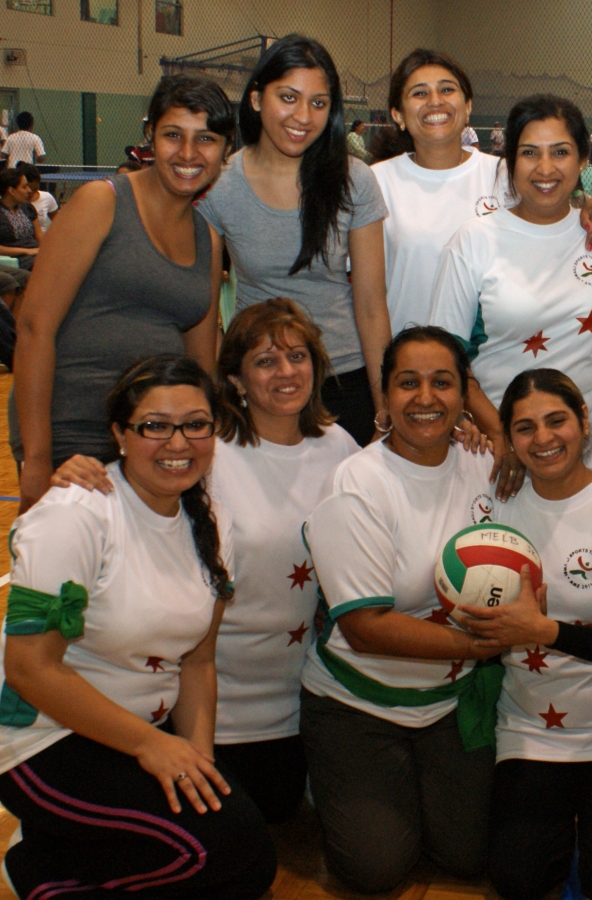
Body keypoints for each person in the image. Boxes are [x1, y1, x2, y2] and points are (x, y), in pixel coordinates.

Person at [49, 298, 360, 827]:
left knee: (278, 813)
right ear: (235, 379)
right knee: (223, 835)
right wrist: (79, 471)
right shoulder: (203, 449)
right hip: (204, 693)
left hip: (293, 695)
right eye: (265, 361)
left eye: (298, 356)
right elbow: (136, 485)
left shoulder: (340, 447)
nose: (286, 372)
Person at [0, 355, 276, 899]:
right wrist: (152, 747)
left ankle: (56, 849)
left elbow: (197, 661)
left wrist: (197, 758)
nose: (178, 443)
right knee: (215, 851)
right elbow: (29, 669)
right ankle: (41, 876)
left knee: (249, 866)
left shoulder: (212, 522)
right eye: (154, 426)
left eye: (196, 424)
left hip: (135, 735)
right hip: (41, 738)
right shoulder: (75, 515)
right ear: (119, 436)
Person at [300, 326, 501, 893]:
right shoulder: (357, 482)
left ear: (465, 393)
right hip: (359, 706)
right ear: (384, 395)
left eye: (443, 382)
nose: (425, 397)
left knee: (468, 857)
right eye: (407, 383)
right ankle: (334, 777)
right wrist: (482, 645)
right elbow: (365, 629)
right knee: (376, 870)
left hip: (449, 704)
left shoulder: (482, 466)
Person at [456, 368, 592, 900]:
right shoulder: (495, 503)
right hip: (530, 729)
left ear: (584, 422)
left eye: (557, 421)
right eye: (524, 428)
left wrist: (543, 630)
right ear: (508, 437)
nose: (543, 439)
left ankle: (589, 838)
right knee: (517, 880)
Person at [11, 75, 229, 512]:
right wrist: (36, 461)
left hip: (154, 441)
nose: (188, 154)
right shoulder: (101, 202)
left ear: (226, 149)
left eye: (205, 138)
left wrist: (199, 449)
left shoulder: (209, 239)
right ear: (150, 137)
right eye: (173, 135)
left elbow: (199, 370)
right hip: (74, 434)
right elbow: (35, 328)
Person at [194, 34, 392, 447]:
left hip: (343, 379)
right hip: (261, 382)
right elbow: (205, 313)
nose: (303, 116)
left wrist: (383, 405)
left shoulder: (355, 179)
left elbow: (372, 305)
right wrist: (214, 400)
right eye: (288, 97)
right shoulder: (219, 186)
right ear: (255, 99)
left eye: (318, 103)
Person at [430, 93, 592, 493]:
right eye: (529, 153)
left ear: (583, 161)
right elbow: (445, 361)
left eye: (560, 152)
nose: (545, 168)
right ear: (510, 162)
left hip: (580, 456)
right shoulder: (474, 241)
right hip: (494, 453)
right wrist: (501, 434)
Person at [372, 49, 592, 340]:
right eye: (419, 93)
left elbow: (554, 202)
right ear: (397, 114)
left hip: (489, 353)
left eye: (447, 89)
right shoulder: (375, 181)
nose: (435, 101)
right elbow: (367, 298)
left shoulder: (504, 174)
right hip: (409, 360)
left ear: (467, 106)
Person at [0, 167, 40, 270]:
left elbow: (40, 237)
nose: (29, 191)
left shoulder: (27, 208)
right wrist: (26, 251)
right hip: (15, 259)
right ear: (11, 191)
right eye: (24, 187)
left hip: (36, 254)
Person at [17, 163, 57, 231]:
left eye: (34, 189)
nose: (30, 192)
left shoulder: (47, 197)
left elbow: (57, 221)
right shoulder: (13, 203)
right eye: (26, 188)